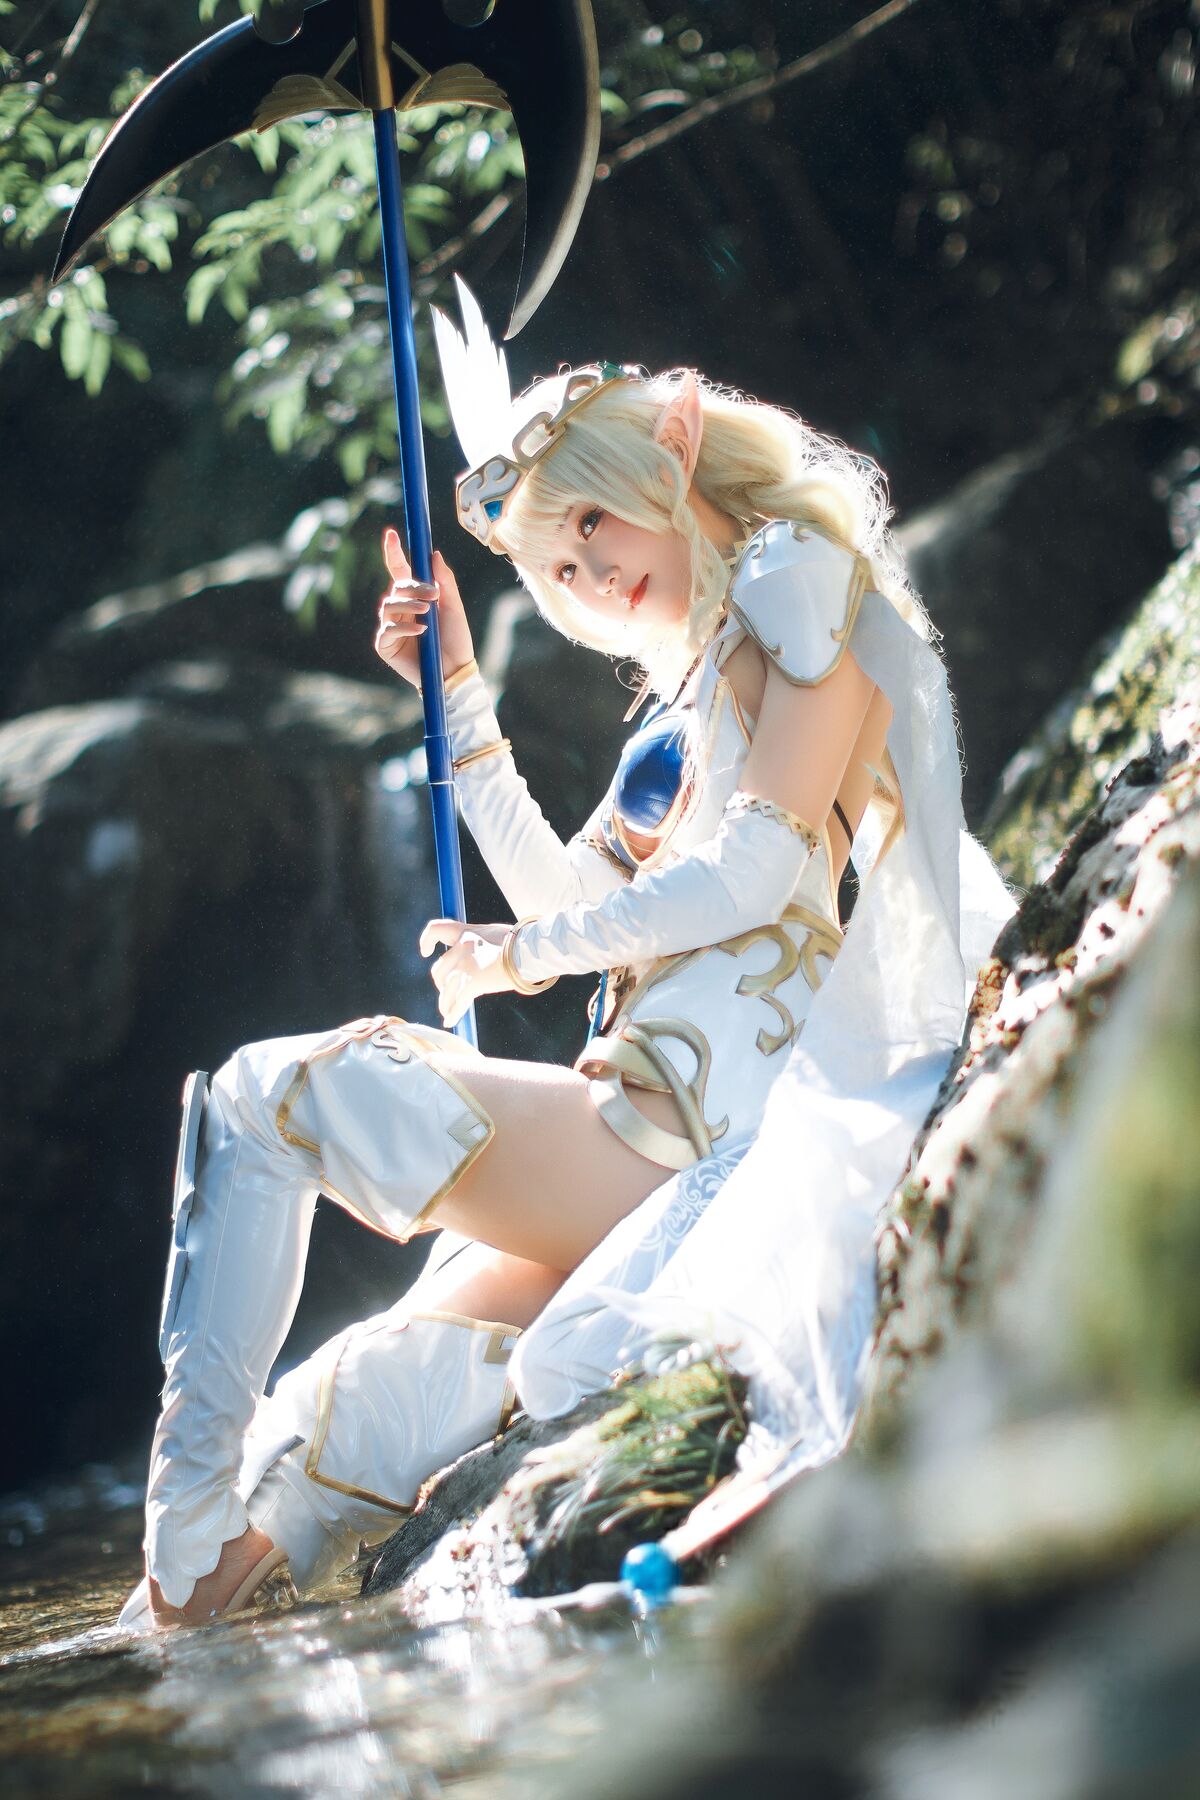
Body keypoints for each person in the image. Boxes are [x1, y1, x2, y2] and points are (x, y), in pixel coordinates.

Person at [119, 281, 1012, 1628]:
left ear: (669, 455)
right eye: (554, 564)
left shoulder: (799, 587)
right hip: (638, 1127)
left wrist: (523, 953)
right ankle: (177, 1626)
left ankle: (182, 1548)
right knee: (333, 1411)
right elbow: (564, 888)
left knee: (268, 1096)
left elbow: (756, 872)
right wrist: (458, 696)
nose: (589, 574)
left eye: (591, 520)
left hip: (700, 1122)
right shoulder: (682, 696)